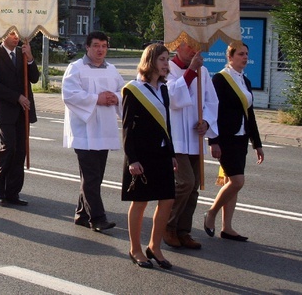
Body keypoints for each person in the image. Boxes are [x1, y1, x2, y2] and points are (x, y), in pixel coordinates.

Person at [122, 43, 177, 269]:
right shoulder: (133, 90)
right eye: (163, 59)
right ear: (151, 61)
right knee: (141, 201)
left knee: (167, 200)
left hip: (162, 153)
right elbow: (126, 128)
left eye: (167, 59)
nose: (167, 64)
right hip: (141, 155)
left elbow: (167, 124)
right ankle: (135, 249)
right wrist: (132, 159)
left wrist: (171, 152)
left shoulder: (164, 89)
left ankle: (155, 246)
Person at [62, 31, 123, 232]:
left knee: (95, 176)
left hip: (104, 129)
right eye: (96, 45)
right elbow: (69, 95)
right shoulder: (76, 68)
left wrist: (115, 97)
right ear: (87, 47)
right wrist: (97, 99)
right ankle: (98, 218)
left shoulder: (112, 70)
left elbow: (124, 92)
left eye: (104, 46)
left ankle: (82, 214)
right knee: (91, 177)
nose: (100, 50)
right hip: (84, 131)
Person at [203, 43, 264, 242]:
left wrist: (257, 143)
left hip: (241, 138)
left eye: (247, 54)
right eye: (240, 54)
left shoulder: (244, 80)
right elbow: (213, 111)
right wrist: (214, 140)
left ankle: (227, 227)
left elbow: (250, 113)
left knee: (233, 183)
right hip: (226, 139)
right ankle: (211, 213)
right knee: (237, 181)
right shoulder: (220, 79)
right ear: (230, 57)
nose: (245, 57)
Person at [164, 40, 220, 250]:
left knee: (194, 186)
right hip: (176, 136)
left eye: (197, 46)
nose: (194, 50)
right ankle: (168, 225)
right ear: (178, 46)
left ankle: (183, 230)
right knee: (184, 182)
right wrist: (191, 72)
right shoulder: (168, 68)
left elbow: (211, 101)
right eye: (189, 46)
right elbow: (172, 98)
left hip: (195, 136)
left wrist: (206, 121)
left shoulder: (203, 72)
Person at [0, 29, 40, 205]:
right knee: (9, 147)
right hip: (6, 111)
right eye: (12, 35)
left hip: (23, 111)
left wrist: (31, 58)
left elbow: (34, 78)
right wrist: (16, 97)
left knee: (20, 151)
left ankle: (13, 192)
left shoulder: (22, 53)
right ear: (4, 35)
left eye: (17, 35)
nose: (16, 38)